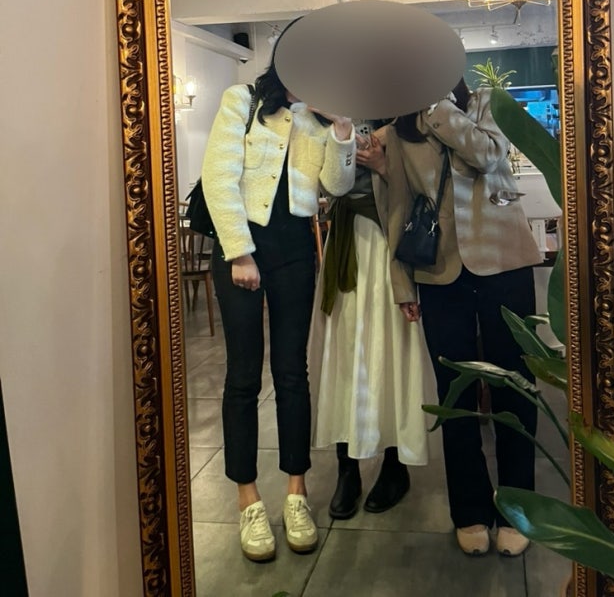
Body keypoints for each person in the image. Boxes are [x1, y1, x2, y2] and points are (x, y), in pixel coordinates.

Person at [357, 78, 543, 558]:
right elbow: (397, 206)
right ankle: (470, 509)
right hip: (440, 273)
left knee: (515, 387)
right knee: (455, 394)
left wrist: (437, 108)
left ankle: (518, 507)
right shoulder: (398, 131)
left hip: (504, 263)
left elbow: (488, 156)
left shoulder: (486, 103)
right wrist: (403, 284)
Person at [201, 31, 356, 563]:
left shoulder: (321, 117)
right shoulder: (242, 101)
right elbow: (218, 178)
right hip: (240, 247)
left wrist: (341, 129)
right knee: (243, 374)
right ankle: (247, 497)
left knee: (292, 372)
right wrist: (240, 253)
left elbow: (336, 186)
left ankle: (296, 492)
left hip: (294, 250)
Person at [309, 119, 432, 521]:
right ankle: (347, 466)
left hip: (391, 241)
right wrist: (341, 136)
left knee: (392, 349)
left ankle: (395, 464)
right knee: (345, 351)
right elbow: (328, 185)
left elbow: (428, 184)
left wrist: (384, 165)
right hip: (347, 241)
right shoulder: (331, 114)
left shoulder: (409, 116)